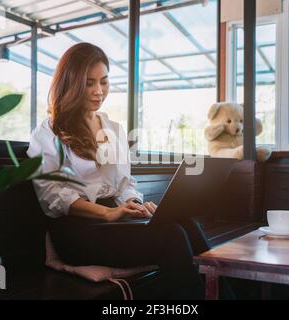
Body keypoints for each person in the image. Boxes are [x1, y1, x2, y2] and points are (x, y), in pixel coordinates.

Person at [27, 42, 210, 299]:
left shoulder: (113, 129)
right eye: (89, 83)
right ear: (70, 83)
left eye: (104, 81)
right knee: (171, 236)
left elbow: (125, 184)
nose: (98, 91)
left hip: (114, 219)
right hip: (76, 230)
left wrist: (134, 204)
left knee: (185, 222)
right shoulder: (48, 132)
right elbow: (53, 196)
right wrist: (107, 213)